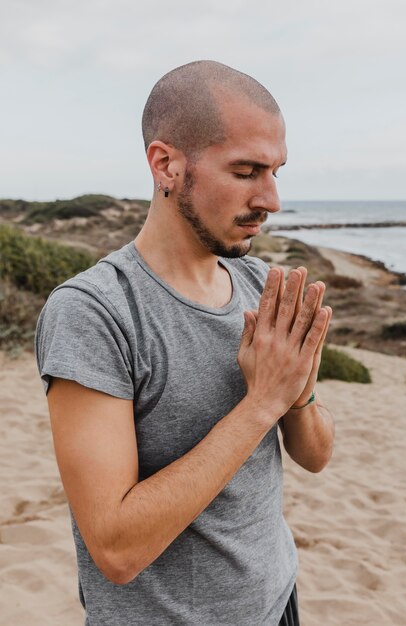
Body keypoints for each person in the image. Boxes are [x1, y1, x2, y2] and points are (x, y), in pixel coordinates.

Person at [35, 60, 334, 626]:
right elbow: (116, 550)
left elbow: (315, 456)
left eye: (276, 171)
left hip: (278, 603)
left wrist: (297, 390)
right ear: (166, 164)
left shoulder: (260, 285)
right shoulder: (94, 312)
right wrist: (262, 401)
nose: (270, 198)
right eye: (246, 171)